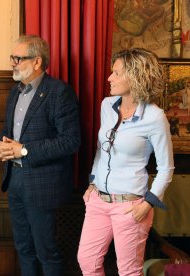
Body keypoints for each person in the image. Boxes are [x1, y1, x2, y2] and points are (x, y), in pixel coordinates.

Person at [77, 48, 174, 275]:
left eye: (117, 73)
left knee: (128, 271)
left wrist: (148, 203)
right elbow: (102, 149)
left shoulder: (155, 117)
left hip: (131, 207)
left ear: (135, 76)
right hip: (98, 201)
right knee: (87, 262)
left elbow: (166, 168)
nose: (110, 78)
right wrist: (92, 183)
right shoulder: (106, 105)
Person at [0, 35, 81, 275]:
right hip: (15, 180)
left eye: (18, 58)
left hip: (43, 185)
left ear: (37, 62)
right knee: (23, 248)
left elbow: (70, 141)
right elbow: (8, 131)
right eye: (13, 58)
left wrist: (24, 150)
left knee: (46, 252)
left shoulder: (60, 92)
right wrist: (4, 145)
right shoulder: (14, 93)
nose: (13, 63)